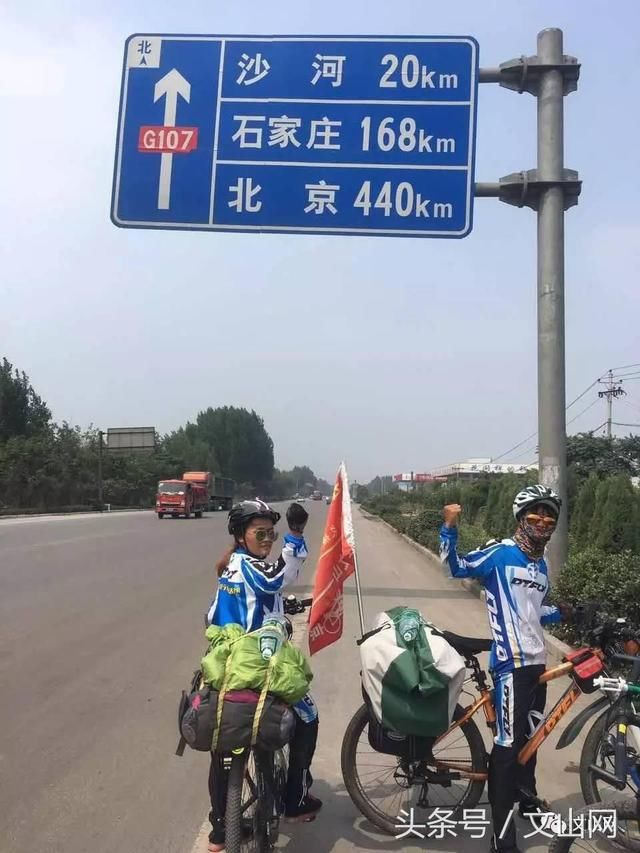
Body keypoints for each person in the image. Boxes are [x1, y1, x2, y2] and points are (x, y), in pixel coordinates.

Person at [440, 485, 571, 853]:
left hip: (536, 664)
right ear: (521, 517)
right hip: (510, 665)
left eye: (549, 516)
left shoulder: (541, 565)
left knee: (531, 740)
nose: (543, 521)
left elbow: (535, 612)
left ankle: (526, 798)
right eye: (536, 514)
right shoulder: (500, 553)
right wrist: (449, 526)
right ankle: (502, 839)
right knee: (507, 747)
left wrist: (566, 612)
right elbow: (454, 567)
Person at [205, 499, 321, 853]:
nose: (268, 538)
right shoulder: (253, 567)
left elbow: (213, 616)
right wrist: (295, 535)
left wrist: (282, 607)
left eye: (272, 533)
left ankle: (219, 830)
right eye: (261, 533)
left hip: (224, 669)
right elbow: (278, 577)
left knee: (222, 743)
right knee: (309, 716)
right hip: (256, 667)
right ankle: (295, 800)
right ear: (241, 535)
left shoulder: (229, 568)